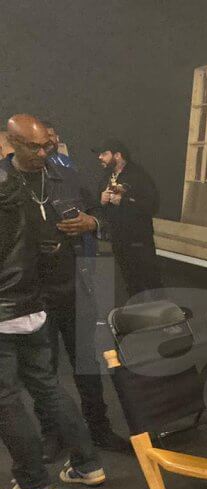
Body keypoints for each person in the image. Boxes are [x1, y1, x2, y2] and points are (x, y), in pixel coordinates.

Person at [2, 114, 128, 456]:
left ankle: (99, 428)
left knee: (88, 364)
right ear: (12, 143)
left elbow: (103, 215)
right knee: (43, 374)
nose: (43, 153)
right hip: (28, 294)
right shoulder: (3, 181)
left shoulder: (66, 176)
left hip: (74, 285)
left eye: (48, 145)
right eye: (34, 147)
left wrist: (92, 222)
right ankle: (53, 436)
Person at [95, 138, 163, 297]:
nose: (100, 157)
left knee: (151, 280)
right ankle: (135, 308)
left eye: (104, 154)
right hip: (118, 238)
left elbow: (152, 205)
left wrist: (124, 201)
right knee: (130, 280)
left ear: (117, 155)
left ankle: (161, 309)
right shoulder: (107, 177)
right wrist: (101, 200)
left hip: (139, 238)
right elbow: (98, 207)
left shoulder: (138, 175)